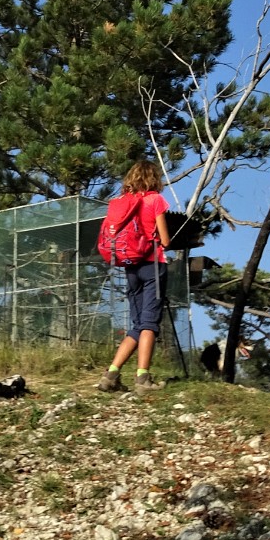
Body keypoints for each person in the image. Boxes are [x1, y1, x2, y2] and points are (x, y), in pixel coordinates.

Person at [97, 161, 171, 393]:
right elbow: (166, 240)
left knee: (138, 324)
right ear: (153, 178)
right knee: (149, 323)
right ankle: (143, 380)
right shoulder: (154, 200)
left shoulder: (122, 203)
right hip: (152, 264)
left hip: (130, 266)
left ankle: (110, 376)